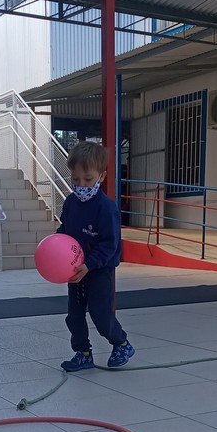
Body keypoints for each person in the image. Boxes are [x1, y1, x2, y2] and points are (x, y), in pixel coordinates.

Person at [58, 141, 135, 372]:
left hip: (99, 270)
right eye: (76, 179)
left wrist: (90, 265)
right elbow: (65, 231)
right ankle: (83, 353)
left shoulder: (106, 208)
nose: (81, 185)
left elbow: (110, 244)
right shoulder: (70, 203)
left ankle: (121, 343)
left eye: (88, 179)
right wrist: (55, 246)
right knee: (74, 316)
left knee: (100, 315)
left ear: (102, 176)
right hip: (75, 270)